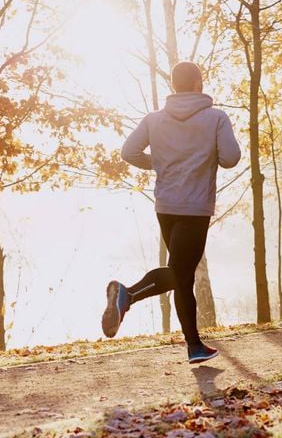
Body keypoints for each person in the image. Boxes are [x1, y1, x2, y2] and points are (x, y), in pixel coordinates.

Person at [101, 61, 241, 364]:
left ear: (174, 86)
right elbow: (231, 158)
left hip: (166, 205)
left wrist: (161, 162)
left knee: (181, 273)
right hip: (195, 207)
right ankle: (129, 295)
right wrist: (205, 155)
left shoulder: (154, 120)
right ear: (199, 84)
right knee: (181, 272)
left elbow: (129, 152)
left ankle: (194, 346)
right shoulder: (216, 118)